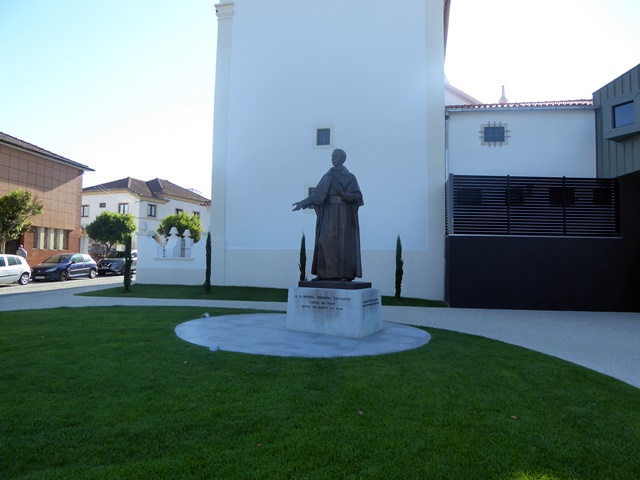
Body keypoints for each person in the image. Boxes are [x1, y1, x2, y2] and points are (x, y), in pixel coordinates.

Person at [292, 148, 364, 281]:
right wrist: (302, 203)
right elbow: (316, 194)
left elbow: (358, 197)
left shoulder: (350, 177)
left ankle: (344, 275)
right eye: (332, 156)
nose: (333, 159)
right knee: (323, 241)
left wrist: (344, 194)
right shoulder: (327, 176)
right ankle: (323, 274)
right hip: (329, 212)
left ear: (343, 159)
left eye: (336, 157)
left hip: (344, 213)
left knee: (343, 245)